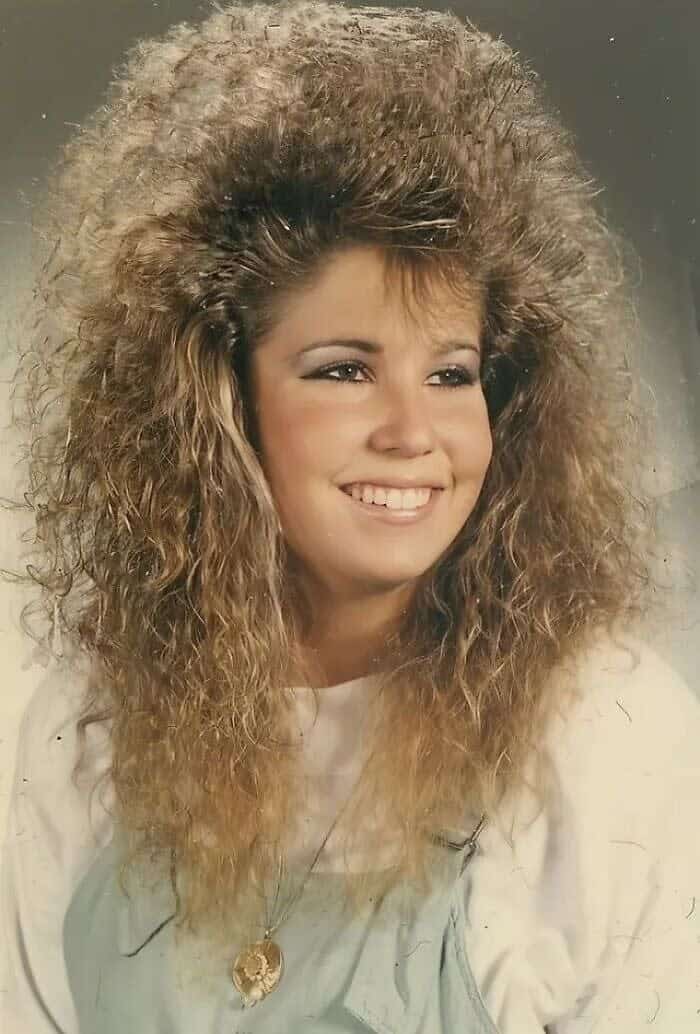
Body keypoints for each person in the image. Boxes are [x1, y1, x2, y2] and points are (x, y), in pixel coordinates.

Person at [2, 1, 699, 1031]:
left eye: (452, 372)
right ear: (218, 402)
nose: (413, 430)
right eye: (344, 370)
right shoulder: (79, 732)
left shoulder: (601, 736)